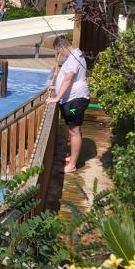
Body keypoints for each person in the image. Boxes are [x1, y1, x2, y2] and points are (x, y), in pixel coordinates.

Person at [47, 35, 90, 173]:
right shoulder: (76, 55)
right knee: (74, 130)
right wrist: (56, 87)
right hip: (74, 100)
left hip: (75, 102)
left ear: (62, 47)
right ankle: (73, 157)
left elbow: (69, 79)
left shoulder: (73, 58)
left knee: (74, 131)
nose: (59, 54)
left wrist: (57, 97)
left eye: (58, 50)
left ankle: (72, 165)